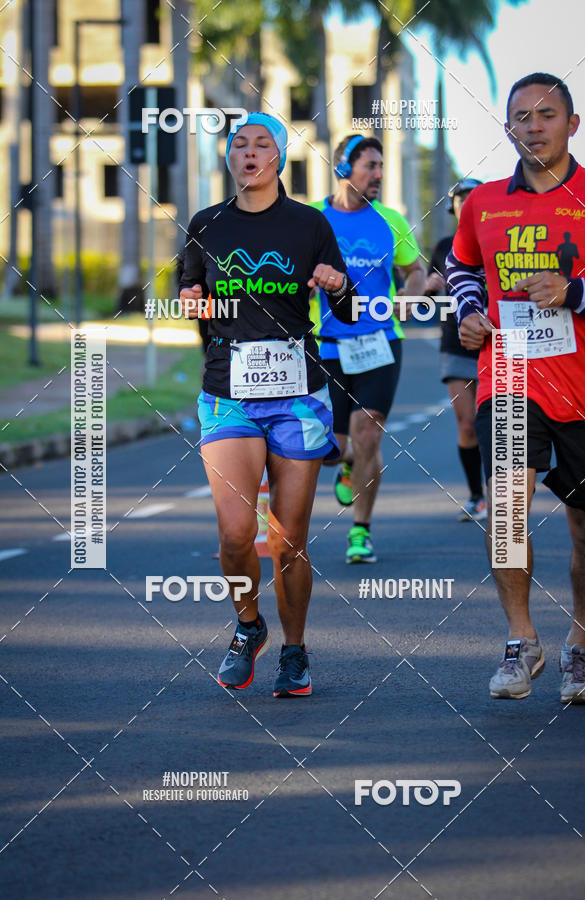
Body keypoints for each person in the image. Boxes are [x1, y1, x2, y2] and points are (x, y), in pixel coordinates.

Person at [180, 112, 356, 697]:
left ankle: (296, 650)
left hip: (298, 397)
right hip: (229, 394)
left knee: (287, 539)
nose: (248, 152)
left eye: (261, 144)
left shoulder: (309, 225)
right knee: (235, 535)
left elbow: (350, 308)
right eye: (239, 144)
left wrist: (335, 283)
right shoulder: (206, 225)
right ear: (229, 157)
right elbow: (190, 296)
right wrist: (191, 300)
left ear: (278, 158)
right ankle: (249, 626)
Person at [446, 73, 585, 704]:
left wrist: (578, 293)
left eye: (546, 114)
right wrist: (469, 310)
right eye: (520, 116)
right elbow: (460, 264)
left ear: (572, 123)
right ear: (507, 126)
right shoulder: (483, 202)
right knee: (508, 511)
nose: (533, 125)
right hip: (508, 376)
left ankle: (582, 644)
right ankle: (521, 640)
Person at [310, 135, 426, 563]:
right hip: (329, 344)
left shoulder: (389, 220)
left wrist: (413, 295)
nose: (378, 174)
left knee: (369, 428)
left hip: (380, 340)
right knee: (333, 448)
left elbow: (415, 270)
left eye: (381, 166)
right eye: (369, 166)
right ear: (343, 166)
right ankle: (345, 462)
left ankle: (360, 531)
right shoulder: (313, 220)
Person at [425, 177, 486, 522]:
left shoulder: (497, 238)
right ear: (454, 207)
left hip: (497, 341)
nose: (467, 204)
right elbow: (430, 292)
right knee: (466, 424)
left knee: (499, 423)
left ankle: (504, 493)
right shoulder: (445, 246)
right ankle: (477, 496)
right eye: (461, 199)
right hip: (456, 341)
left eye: (473, 198)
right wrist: (431, 288)